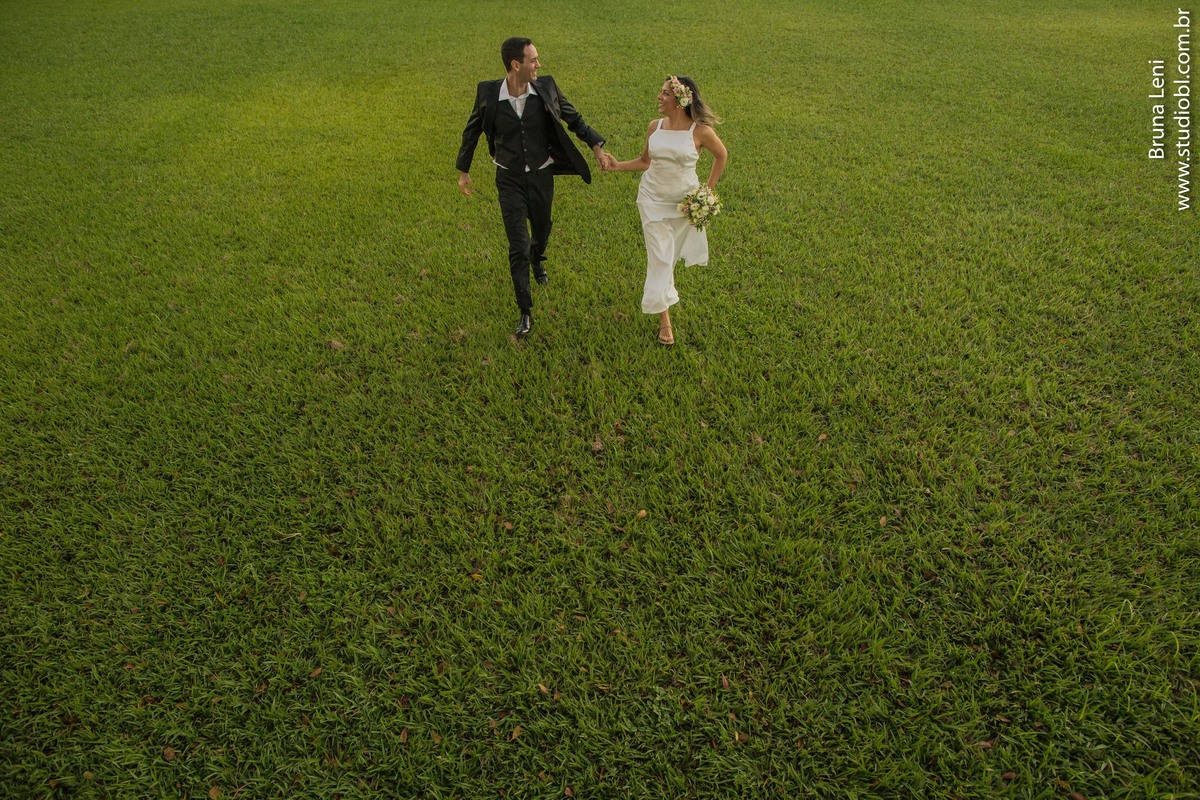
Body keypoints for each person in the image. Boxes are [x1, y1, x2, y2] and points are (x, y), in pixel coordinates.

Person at [457, 37, 615, 338]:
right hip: (509, 178)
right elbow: (472, 130)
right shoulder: (488, 93)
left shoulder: (546, 87)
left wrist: (596, 146)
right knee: (518, 244)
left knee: (542, 230)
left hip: (541, 174)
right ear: (516, 64)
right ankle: (525, 312)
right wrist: (463, 170)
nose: (538, 64)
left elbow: (573, 118)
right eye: (533, 60)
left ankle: (538, 259)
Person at [603, 76, 727, 345]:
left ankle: (663, 301)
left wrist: (706, 193)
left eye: (665, 93)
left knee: (667, 259)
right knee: (660, 258)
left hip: (683, 206)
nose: (659, 97)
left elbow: (721, 155)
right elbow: (645, 161)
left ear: (681, 99)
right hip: (651, 200)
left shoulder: (700, 131)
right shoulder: (655, 127)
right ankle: (665, 321)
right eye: (660, 92)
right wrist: (616, 165)